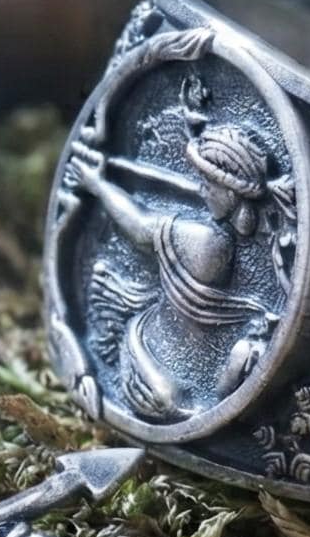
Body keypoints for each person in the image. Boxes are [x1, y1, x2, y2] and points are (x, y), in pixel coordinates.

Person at [72, 121, 278, 419]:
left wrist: (97, 184)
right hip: (153, 351)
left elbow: (141, 227)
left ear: (232, 192)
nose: (200, 189)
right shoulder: (228, 238)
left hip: (161, 370)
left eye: (208, 182)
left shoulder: (209, 240)